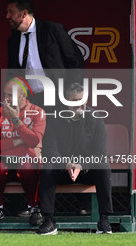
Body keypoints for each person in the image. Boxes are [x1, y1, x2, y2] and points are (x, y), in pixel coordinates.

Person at [37, 83, 113, 235]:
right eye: (74, 100)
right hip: (63, 170)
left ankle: (104, 220)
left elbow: (100, 153)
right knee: (48, 167)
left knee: (103, 166)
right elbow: (50, 151)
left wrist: (81, 165)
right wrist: (67, 164)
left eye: (81, 100)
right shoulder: (55, 119)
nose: (79, 104)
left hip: (87, 170)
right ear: (66, 101)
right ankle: (49, 221)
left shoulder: (96, 119)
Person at [0, 77, 46, 225]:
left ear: (23, 96)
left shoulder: (37, 112)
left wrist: (15, 120)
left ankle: (33, 207)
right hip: (5, 160)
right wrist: (17, 141)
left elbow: (33, 141)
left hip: (27, 160)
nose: (5, 98)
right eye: (5, 94)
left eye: (10, 95)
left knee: (27, 166)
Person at [6, 0, 84, 110]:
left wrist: (73, 93)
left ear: (24, 13)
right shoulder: (13, 41)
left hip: (57, 98)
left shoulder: (52, 29)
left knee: (58, 128)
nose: (7, 16)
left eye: (11, 12)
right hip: (30, 101)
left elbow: (75, 60)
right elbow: (13, 72)